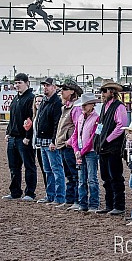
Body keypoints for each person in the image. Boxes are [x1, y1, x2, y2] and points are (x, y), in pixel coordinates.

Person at [93, 79, 128, 215]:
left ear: (111, 92)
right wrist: (97, 139)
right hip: (103, 146)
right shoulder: (104, 107)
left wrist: (107, 139)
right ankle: (109, 204)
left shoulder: (119, 107)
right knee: (106, 177)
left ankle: (119, 205)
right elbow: (100, 125)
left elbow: (121, 126)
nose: (102, 94)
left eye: (104, 91)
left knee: (115, 176)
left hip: (113, 147)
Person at [3, 73, 37, 201]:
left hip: (24, 139)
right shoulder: (15, 99)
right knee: (14, 167)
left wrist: (28, 136)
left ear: (27, 83)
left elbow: (32, 120)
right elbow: (12, 118)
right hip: (13, 138)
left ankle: (30, 193)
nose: (17, 85)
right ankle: (15, 191)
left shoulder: (30, 98)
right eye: (15, 83)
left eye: (19, 83)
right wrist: (8, 132)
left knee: (29, 166)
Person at [34, 77, 64, 205]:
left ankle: (59, 197)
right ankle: (50, 195)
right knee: (48, 170)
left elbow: (57, 123)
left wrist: (54, 140)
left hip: (49, 141)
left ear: (54, 87)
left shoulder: (56, 102)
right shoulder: (45, 101)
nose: (45, 87)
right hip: (42, 140)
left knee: (56, 169)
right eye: (44, 85)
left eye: (48, 85)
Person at [70, 93, 101, 213]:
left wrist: (79, 151)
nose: (83, 107)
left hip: (90, 152)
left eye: (86, 104)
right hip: (82, 152)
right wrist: (76, 149)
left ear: (92, 105)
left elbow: (93, 138)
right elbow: (75, 135)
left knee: (91, 179)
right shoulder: (80, 118)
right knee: (82, 179)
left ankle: (93, 204)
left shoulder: (97, 118)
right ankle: (83, 203)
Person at [56, 80, 83, 209]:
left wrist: (69, 141)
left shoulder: (75, 108)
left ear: (72, 92)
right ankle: (70, 200)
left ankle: (76, 200)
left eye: (65, 89)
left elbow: (78, 128)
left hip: (70, 146)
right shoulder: (67, 107)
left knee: (74, 174)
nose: (62, 91)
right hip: (65, 144)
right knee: (69, 175)